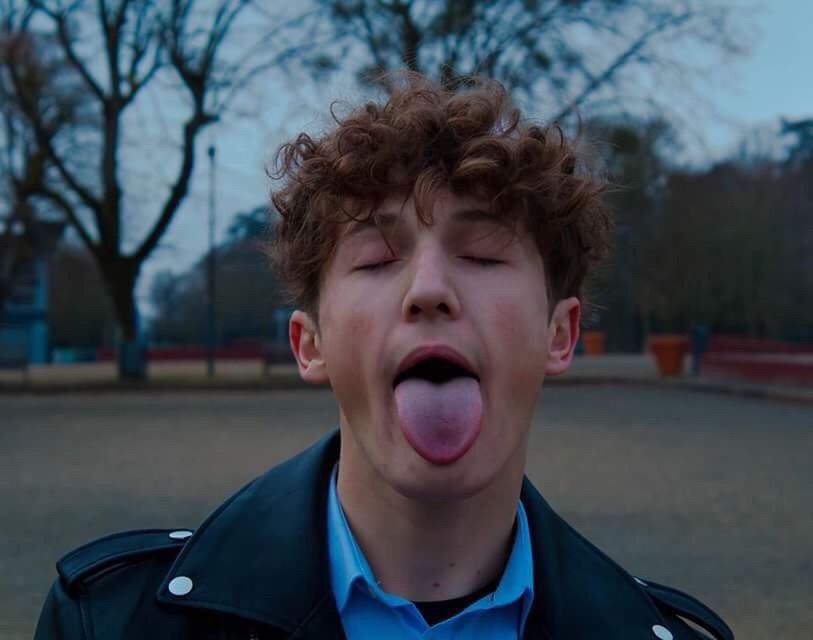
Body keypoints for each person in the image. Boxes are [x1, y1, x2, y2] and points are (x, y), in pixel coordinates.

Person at [35, 73, 734, 640]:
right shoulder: (112, 621)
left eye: (483, 253)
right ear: (311, 345)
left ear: (560, 335)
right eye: (375, 258)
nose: (428, 289)